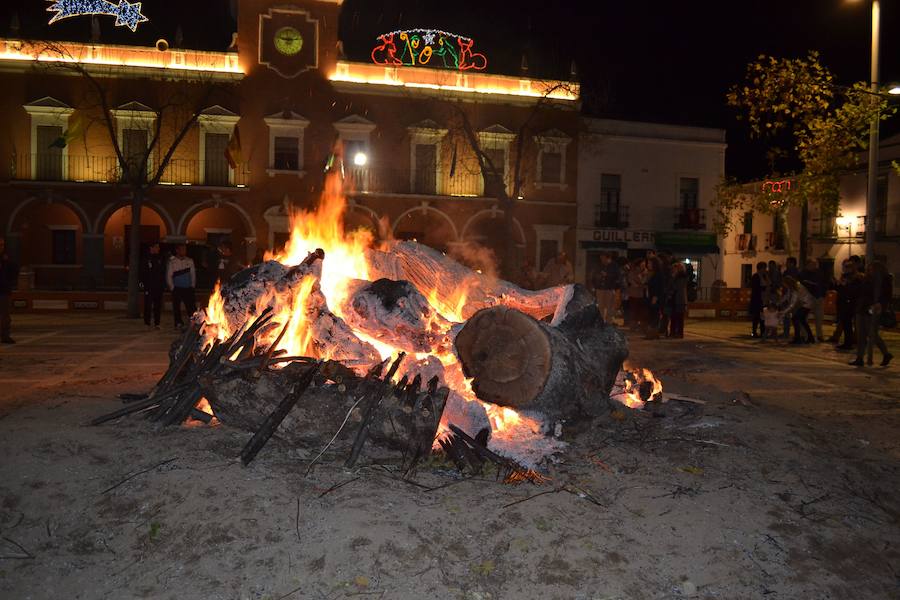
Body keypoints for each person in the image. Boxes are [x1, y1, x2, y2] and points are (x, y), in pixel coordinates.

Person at [851, 261, 894, 367]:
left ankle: (886, 353)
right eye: (869, 269)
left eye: (872, 269)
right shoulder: (866, 278)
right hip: (862, 307)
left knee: (872, 333)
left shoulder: (884, 279)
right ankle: (860, 357)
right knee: (861, 334)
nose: (870, 270)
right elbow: (860, 292)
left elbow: (887, 295)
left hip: (873, 308)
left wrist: (880, 304)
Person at [166, 244, 197, 330]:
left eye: (185, 249)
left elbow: (193, 274)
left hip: (188, 288)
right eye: (182, 249)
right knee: (176, 307)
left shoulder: (189, 261)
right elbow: (169, 275)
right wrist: (172, 287)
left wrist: (192, 285)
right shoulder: (172, 261)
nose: (184, 251)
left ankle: (193, 322)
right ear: (177, 250)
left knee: (191, 307)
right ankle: (178, 323)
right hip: (177, 288)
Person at [139, 242, 166, 329]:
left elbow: (162, 272)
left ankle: (157, 323)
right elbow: (142, 272)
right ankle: (147, 323)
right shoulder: (146, 258)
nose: (158, 249)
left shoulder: (160, 258)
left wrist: (163, 284)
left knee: (157, 305)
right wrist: (143, 283)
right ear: (152, 248)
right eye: (156, 247)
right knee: (148, 305)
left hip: (158, 287)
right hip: (149, 286)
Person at [782, 276, 815, 344]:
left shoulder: (796, 288)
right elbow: (787, 296)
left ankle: (798, 338)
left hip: (806, 304)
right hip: (806, 303)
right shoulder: (793, 287)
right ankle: (810, 337)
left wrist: (784, 312)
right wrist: (779, 302)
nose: (784, 286)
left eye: (784, 284)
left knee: (795, 318)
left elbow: (792, 303)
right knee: (802, 321)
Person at [800, 259, 826, 342]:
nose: (815, 266)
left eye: (815, 264)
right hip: (808, 298)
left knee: (819, 317)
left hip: (819, 297)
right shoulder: (802, 274)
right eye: (813, 264)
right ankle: (804, 334)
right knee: (804, 318)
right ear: (808, 265)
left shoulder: (819, 273)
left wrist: (822, 294)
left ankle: (819, 335)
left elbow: (823, 283)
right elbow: (802, 285)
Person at [590, 253, 621, 323]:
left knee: (610, 306)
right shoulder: (599, 265)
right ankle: (600, 322)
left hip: (609, 289)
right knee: (600, 306)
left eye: (603, 258)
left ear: (608, 258)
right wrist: (594, 285)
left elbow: (617, 277)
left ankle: (608, 322)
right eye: (601, 258)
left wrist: (608, 275)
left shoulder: (614, 266)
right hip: (600, 288)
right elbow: (594, 276)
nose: (602, 259)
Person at [0, 237, 19, 344]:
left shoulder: (7, 260)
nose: (1, 247)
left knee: (5, 315)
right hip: (4, 290)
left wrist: (8, 283)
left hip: (4, 291)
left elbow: (14, 271)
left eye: (2, 245)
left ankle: (5, 335)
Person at [644, 257, 665, 340]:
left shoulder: (658, 274)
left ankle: (653, 334)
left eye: (649, 263)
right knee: (651, 315)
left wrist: (655, 297)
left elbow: (659, 287)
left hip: (655, 297)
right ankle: (651, 333)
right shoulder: (652, 273)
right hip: (650, 296)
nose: (648, 265)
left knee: (654, 315)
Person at [668, 262, 688, 338]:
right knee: (673, 317)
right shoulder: (675, 277)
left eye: (676, 268)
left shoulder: (682, 277)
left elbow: (677, 287)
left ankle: (679, 333)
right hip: (674, 298)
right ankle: (673, 332)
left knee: (679, 317)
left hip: (679, 299)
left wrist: (673, 278)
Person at [749, 261, 768, 338]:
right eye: (764, 268)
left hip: (763, 299)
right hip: (757, 299)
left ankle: (763, 332)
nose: (765, 270)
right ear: (760, 268)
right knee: (756, 316)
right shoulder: (755, 276)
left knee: (762, 317)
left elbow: (768, 284)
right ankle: (754, 332)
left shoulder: (764, 276)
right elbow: (756, 288)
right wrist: (764, 288)